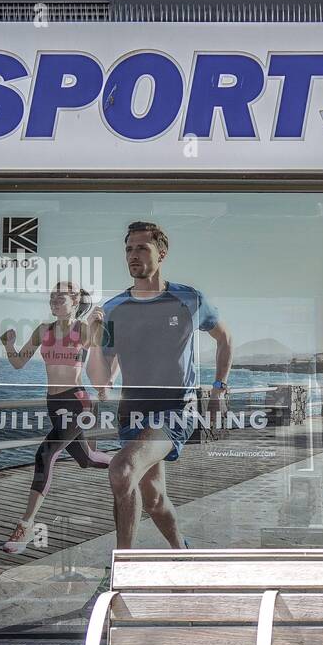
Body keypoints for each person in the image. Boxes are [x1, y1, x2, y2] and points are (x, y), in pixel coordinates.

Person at [91, 221, 233, 550]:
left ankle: (121, 568)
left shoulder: (188, 299)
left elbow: (225, 338)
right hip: (132, 413)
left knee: (122, 468)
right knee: (153, 499)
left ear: (162, 253)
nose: (133, 255)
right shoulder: (112, 309)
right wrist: (93, 341)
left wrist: (218, 389)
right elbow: (100, 377)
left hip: (175, 410)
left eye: (142, 247)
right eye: (128, 249)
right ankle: (182, 552)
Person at [0, 282, 111, 554]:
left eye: (62, 297)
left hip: (78, 402)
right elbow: (18, 362)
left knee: (45, 454)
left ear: (75, 301)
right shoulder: (42, 331)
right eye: (53, 297)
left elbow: (97, 357)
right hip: (54, 402)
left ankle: (25, 526)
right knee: (87, 460)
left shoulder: (82, 329)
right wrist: (9, 345)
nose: (55, 300)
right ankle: (128, 464)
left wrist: (97, 323)